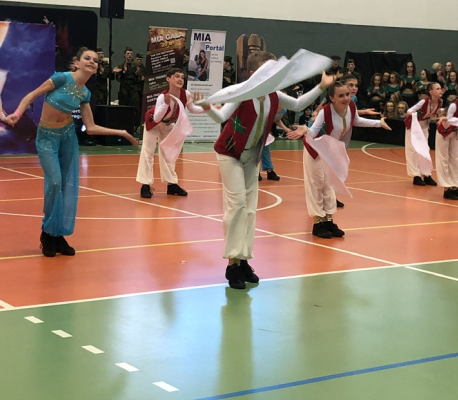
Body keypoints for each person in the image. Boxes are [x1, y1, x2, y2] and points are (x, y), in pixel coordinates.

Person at [202, 55, 332, 290]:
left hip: (252, 156)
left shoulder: (274, 94)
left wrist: (321, 86)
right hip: (229, 153)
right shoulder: (243, 93)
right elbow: (221, 116)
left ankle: (243, 259)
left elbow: (298, 104)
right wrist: (207, 107)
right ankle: (232, 264)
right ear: (256, 73)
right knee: (237, 205)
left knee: (250, 209)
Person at [5, 48, 137, 256]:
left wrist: (121, 132)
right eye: (87, 58)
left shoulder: (85, 93)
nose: (92, 61)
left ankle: (58, 235)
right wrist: (17, 113)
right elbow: (33, 95)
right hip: (47, 137)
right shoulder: (61, 79)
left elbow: (91, 127)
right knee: (54, 182)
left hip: (67, 137)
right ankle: (47, 233)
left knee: (66, 186)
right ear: (77, 63)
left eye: (95, 60)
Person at [298, 79, 388, 238]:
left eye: (347, 94)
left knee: (329, 185)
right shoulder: (325, 111)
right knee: (316, 185)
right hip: (315, 151)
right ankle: (318, 222)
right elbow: (313, 132)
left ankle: (328, 220)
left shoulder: (351, 107)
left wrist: (379, 123)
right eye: (341, 96)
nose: (346, 98)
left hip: (331, 153)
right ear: (332, 98)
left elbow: (357, 121)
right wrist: (305, 130)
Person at [137, 67, 203, 198]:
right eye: (176, 76)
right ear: (168, 79)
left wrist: (208, 107)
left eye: (182, 77)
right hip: (153, 122)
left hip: (168, 124)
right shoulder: (163, 97)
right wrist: (166, 105)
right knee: (148, 152)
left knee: (169, 153)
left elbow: (193, 109)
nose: (180, 79)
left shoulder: (186, 94)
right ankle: (145, 184)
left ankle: (172, 184)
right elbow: (157, 118)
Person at [405, 80, 445, 186]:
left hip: (424, 126)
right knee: (413, 151)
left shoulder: (440, 102)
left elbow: (434, 114)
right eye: (437, 89)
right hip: (414, 126)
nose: (440, 90)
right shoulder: (424, 101)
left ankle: (426, 174)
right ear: (431, 92)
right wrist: (417, 114)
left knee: (424, 150)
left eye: (440, 88)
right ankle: (416, 176)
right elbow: (409, 111)